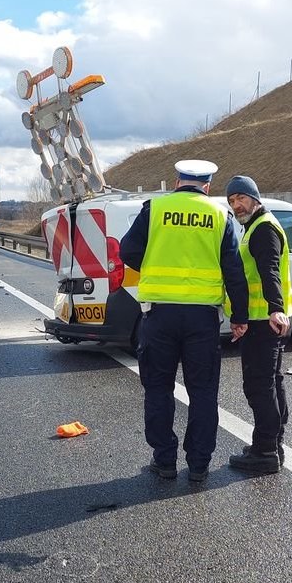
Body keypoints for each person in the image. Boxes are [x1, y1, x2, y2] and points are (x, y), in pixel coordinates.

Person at [120, 160, 250, 482]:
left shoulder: (155, 208)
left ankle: (164, 461)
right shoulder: (220, 215)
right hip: (202, 319)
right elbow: (234, 270)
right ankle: (199, 465)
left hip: (159, 314)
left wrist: (153, 264)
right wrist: (239, 317)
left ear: (178, 181)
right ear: (207, 185)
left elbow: (127, 251)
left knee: (158, 388)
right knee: (203, 391)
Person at [222, 176, 292, 476]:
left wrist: (276, 310)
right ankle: (272, 445)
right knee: (272, 384)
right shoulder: (254, 227)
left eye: (241, 197)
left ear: (255, 198)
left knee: (258, 386)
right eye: (231, 200)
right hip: (261, 321)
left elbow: (270, 271)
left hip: (264, 321)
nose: (236, 204)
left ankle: (265, 451)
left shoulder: (263, 229)